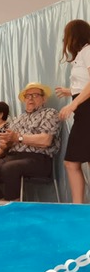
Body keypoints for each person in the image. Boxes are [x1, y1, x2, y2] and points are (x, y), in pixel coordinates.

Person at [0, 82, 60, 201]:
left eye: (35, 95)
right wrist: (5, 144)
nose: (30, 99)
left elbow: (46, 140)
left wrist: (18, 138)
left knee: (10, 167)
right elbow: (8, 144)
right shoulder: (17, 119)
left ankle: (13, 204)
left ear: (44, 99)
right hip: (12, 156)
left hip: (38, 159)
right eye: (27, 96)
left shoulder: (50, 113)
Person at [56, 19, 90, 204]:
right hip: (84, 110)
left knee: (72, 162)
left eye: (66, 35)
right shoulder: (82, 54)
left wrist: (73, 104)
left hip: (86, 109)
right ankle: (79, 207)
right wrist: (70, 92)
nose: (65, 40)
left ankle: (79, 207)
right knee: (73, 162)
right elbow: (84, 84)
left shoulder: (88, 50)